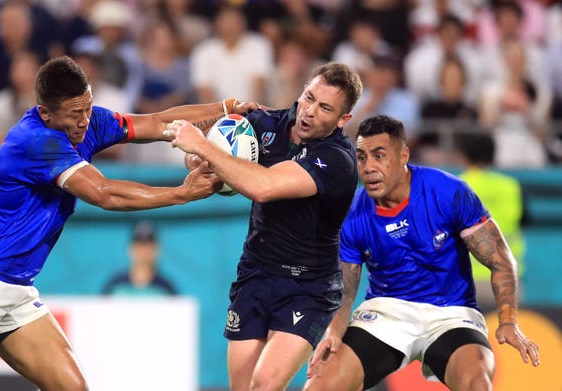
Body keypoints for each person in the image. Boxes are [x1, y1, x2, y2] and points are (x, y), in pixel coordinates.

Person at [0, 55, 252, 391]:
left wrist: (225, 107)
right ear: (46, 113)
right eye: (75, 114)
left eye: (88, 107)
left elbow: (159, 122)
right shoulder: (35, 142)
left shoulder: (86, 122)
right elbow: (104, 194)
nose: (85, 121)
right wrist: (182, 193)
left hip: (16, 287)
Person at [165, 62, 363, 391]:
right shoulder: (266, 123)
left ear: (343, 120)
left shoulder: (338, 160)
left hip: (308, 287)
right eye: (309, 97)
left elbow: (264, 187)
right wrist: (199, 159)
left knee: (264, 384)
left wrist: (202, 146)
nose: (310, 111)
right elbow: (210, 153)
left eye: (325, 107)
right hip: (255, 274)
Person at [304, 115, 540, 391]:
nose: (369, 167)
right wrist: (333, 330)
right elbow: (345, 288)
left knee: (477, 383)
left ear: (404, 155)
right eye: (362, 157)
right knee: (320, 385)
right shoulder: (353, 213)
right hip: (387, 312)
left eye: (379, 155)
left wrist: (508, 321)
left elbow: (501, 259)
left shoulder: (448, 191)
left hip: (450, 313)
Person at [454, 132, 525, 313]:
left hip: (465, 279)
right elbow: (524, 219)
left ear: (464, 156)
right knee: (506, 336)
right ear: (493, 155)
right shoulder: (511, 186)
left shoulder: (456, 186)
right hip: (507, 278)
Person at [102, 221, 178, 296]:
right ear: (130, 248)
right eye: (139, 245)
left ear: (157, 249)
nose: (144, 250)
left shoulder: (166, 288)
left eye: (149, 246)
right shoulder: (115, 285)